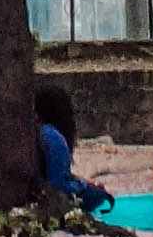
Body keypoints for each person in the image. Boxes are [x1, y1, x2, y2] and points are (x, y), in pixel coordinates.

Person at [34, 83, 110, 216]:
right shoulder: (53, 137)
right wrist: (84, 187)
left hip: (44, 187)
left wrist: (83, 181)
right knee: (98, 195)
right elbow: (57, 183)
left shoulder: (39, 131)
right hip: (52, 193)